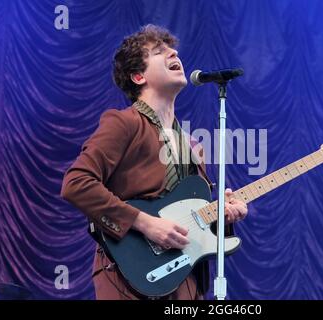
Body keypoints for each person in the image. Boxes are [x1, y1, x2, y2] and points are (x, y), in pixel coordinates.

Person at [61, 24, 248, 300]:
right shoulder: (123, 123)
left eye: (173, 49)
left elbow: (191, 220)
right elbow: (75, 184)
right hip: (127, 278)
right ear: (138, 76)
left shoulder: (192, 145)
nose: (174, 52)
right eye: (160, 52)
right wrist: (145, 223)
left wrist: (223, 215)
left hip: (184, 279)